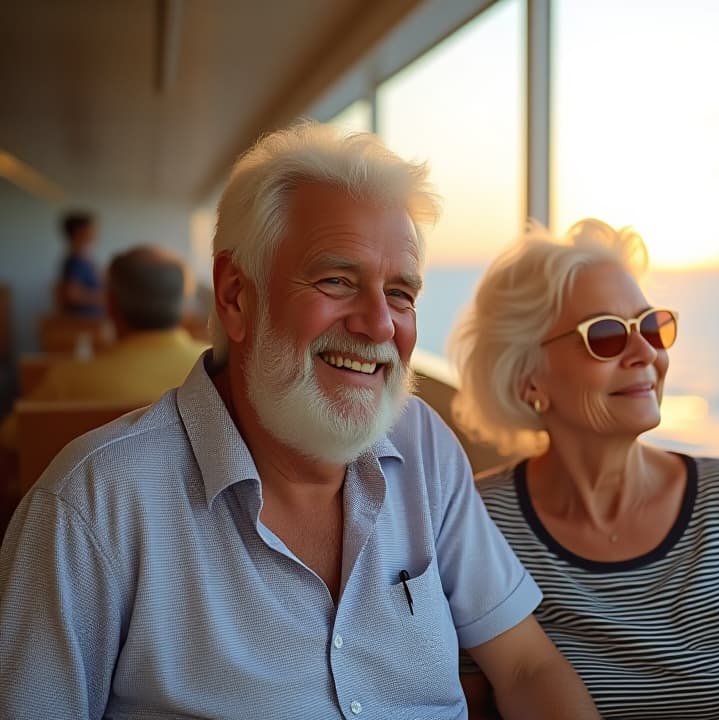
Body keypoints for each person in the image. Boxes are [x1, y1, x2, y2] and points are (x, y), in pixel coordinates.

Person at [0, 123, 598, 720]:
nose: (380, 325)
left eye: (400, 294)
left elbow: (526, 667)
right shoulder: (93, 503)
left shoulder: (424, 447)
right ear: (236, 295)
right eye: (337, 280)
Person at [450, 219, 719, 719]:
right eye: (607, 335)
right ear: (529, 379)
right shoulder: (477, 521)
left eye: (652, 325)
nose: (647, 353)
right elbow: (467, 709)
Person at [0, 245, 209, 450]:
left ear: (110, 305)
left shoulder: (67, 381)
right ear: (184, 307)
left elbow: (10, 438)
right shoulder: (216, 367)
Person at [56, 210, 105, 316]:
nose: (96, 233)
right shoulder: (76, 261)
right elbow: (71, 295)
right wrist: (103, 298)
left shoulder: (85, 259)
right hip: (84, 322)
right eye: (92, 229)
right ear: (79, 232)